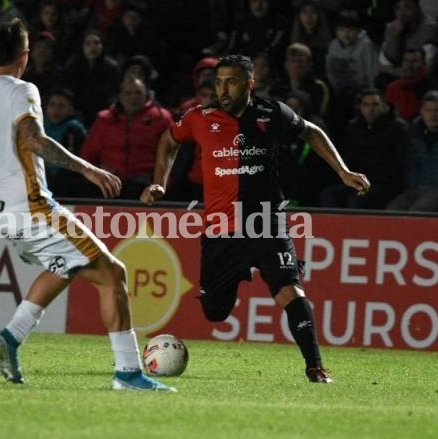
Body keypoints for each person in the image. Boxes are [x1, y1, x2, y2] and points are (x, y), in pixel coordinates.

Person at [0, 18, 174, 392]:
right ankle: (128, 374)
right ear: (25, 55)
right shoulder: (22, 90)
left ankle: (10, 339)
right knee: (113, 273)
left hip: (1, 214)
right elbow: (34, 140)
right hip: (33, 208)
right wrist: (88, 169)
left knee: (65, 265)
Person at [140, 54, 371, 383]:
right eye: (218, 82)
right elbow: (168, 142)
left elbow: (310, 132)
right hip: (220, 231)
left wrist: (343, 171)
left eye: (231, 82)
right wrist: (160, 181)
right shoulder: (199, 118)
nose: (223, 89)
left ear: (249, 84)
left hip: (266, 223)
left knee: (290, 290)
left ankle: (315, 367)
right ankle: (237, 273)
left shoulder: (271, 112)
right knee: (215, 312)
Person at [80, 75, 174, 199]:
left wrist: (161, 183)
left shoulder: (162, 118)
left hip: (146, 188)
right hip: (109, 187)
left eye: (138, 93)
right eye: (128, 93)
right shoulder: (104, 119)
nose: (133, 97)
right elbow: (88, 155)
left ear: (147, 95)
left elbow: (172, 154)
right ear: (120, 96)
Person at [320, 88, 407, 209]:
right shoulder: (354, 128)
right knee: (329, 194)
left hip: (384, 184)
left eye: (375, 105)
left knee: (357, 200)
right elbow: (350, 158)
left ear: (385, 107)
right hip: (359, 181)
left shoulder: (397, 128)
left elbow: (399, 163)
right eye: (366, 105)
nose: (370, 109)